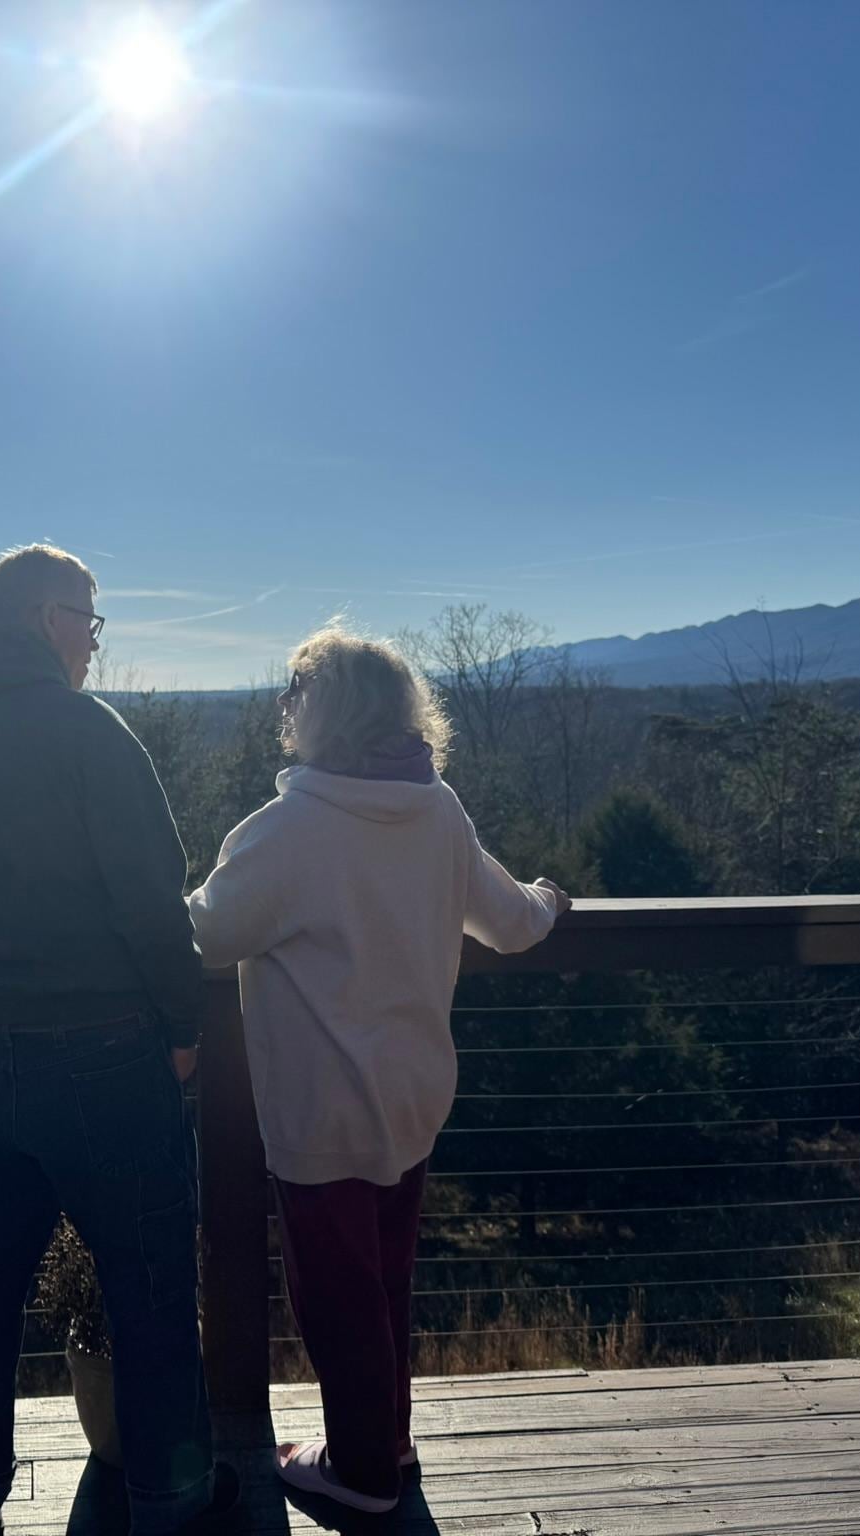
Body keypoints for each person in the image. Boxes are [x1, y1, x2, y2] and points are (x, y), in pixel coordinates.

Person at [0, 543, 234, 1536]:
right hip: (103, 1057)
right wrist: (181, 1030)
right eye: (89, 620)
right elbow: (155, 909)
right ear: (43, 618)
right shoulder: (89, 736)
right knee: (151, 1292)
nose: (93, 644)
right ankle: (171, 1505)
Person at [186, 625, 569, 1515]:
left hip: (321, 1110)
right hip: (412, 1096)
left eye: (294, 694)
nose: (286, 709)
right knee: (384, 1280)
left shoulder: (290, 829)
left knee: (334, 1298)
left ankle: (361, 1475)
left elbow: (202, 932)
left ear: (317, 714)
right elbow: (512, 922)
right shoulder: (438, 811)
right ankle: (384, 1444)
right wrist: (552, 899)